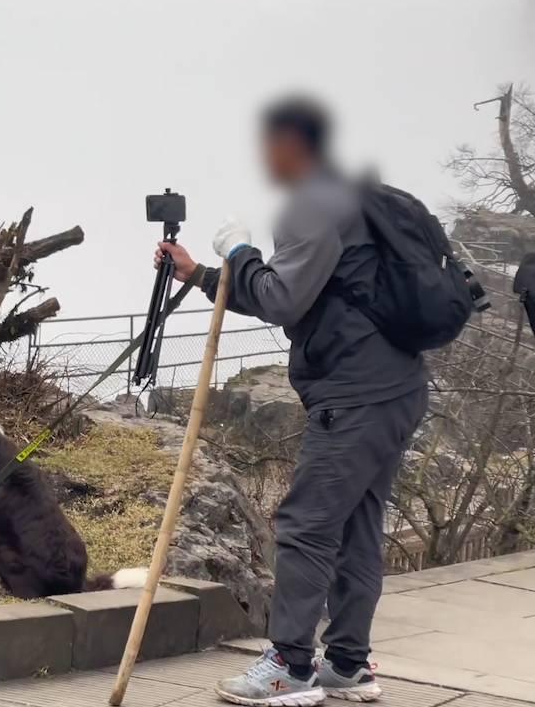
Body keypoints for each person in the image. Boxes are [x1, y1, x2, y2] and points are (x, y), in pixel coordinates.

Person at [156, 96, 428, 707]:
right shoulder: (355, 199)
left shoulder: (310, 204)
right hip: (398, 388)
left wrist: (240, 254)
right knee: (358, 525)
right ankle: (348, 665)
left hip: (353, 396)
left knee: (305, 526)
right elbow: (297, 294)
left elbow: (279, 301)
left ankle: (289, 667)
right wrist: (202, 273)